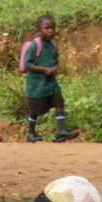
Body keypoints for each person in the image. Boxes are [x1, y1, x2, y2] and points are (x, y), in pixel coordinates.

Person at [22, 14, 79, 143]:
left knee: (59, 103)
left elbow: (56, 60)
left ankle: (61, 131)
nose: (51, 30)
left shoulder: (53, 45)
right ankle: (31, 133)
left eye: (53, 28)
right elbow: (27, 64)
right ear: (39, 29)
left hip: (51, 83)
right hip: (37, 85)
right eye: (47, 28)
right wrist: (45, 69)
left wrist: (55, 68)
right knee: (35, 110)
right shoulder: (34, 46)